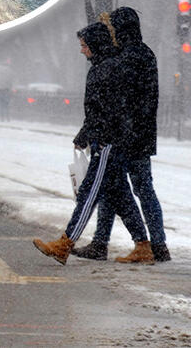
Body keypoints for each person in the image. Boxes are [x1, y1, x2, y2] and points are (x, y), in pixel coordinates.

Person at [33, 22, 149, 265]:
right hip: (115, 140)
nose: (82, 50)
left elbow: (102, 111)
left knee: (89, 192)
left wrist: (87, 135)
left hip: (108, 142)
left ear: (95, 45)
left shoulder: (104, 70)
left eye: (84, 46)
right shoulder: (111, 67)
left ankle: (66, 243)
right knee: (121, 196)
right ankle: (143, 246)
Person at [72, 8, 169, 263]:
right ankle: (156, 244)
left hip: (125, 134)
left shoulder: (124, 57)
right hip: (142, 133)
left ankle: (107, 243)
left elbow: (117, 100)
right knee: (134, 188)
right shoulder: (145, 53)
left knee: (114, 187)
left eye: (113, 27)